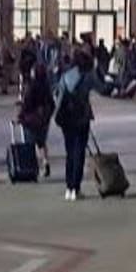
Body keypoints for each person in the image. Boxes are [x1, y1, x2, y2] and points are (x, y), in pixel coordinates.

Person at [54, 48, 95, 201]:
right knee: (79, 154)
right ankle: (76, 188)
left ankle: (68, 187)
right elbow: (103, 87)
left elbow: (57, 93)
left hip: (66, 118)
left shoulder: (66, 76)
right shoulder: (87, 77)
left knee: (69, 153)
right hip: (82, 118)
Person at [17, 60, 55, 179]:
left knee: (30, 144)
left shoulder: (31, 87)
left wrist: (20, 116)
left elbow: (26, 104)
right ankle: (45, 162)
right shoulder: (46, 86)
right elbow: (52, 104)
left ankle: (31, 168)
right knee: (41, 143)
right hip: (43, 120)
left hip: (31, 120)